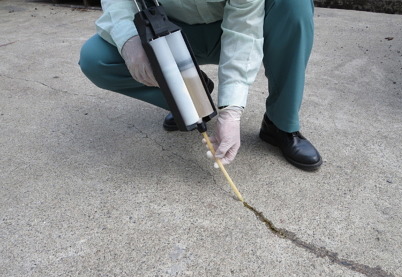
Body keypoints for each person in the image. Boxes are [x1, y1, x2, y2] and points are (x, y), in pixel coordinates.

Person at [79, 0, 322, 170]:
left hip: (228, 25)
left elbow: (243, 30)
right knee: (96, 59)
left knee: (294, 5)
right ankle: (192, 97)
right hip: (165, 30)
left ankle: (280, 123)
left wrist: (231, 111)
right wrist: (129, 40)